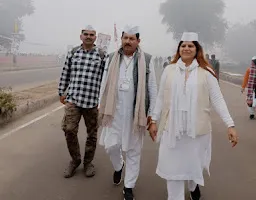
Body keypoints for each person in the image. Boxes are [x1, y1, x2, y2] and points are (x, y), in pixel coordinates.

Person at [148, 32, 238, 200]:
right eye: (183, 45)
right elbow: (161, 97)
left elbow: (217, 99)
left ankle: (193, 185)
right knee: (173, 170)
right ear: (179, 49)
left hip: (196, 132)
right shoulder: (169, 70)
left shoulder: (206, 72)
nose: (187, 48)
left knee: (192, 165)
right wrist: (153, 120)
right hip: (171, 130)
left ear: (197, 50)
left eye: (191, 46)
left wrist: (230, 124)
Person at [99, 25, 157, 200]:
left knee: (134, 151)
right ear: (122, 39)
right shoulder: (111, 58)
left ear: (138, 41)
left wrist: (152, 114)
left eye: (132, 38)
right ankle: (118, 166)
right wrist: (99, 104)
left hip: (135, 114)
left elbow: (152, 87)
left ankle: (129, 186)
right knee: (111, 147)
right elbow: (104, 83)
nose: (128, 41)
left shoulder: (146, 60)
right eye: (125, 38)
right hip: (114, 113)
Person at [58, 25, 107, 179]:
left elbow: (106, 79)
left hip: (92, 102)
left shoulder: (101, 55)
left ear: (95, 37)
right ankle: (75, 160)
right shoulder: (73, 53)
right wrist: (61, 92)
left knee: (92, 134)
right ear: (81, 36)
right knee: (69, 129)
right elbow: (65, 72)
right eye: (85, 34)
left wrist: (103, 100)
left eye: (91, 35)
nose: (88, 37)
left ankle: (88, 163)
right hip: (73, 100)